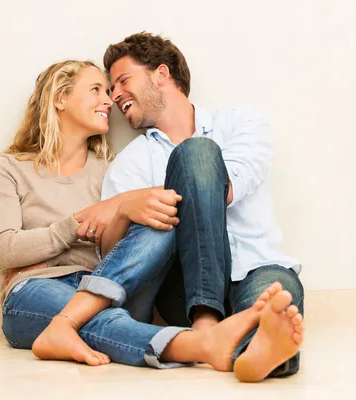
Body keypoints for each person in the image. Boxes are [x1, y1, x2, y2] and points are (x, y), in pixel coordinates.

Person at [0, 59, 303, 373]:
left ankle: (242, 351)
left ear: (162, 74)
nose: (110, 99)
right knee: (108, 314)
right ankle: (204, 343)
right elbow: (7, 248)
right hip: (45, 285)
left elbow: (115, 252)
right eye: (98, 89)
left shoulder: (106, 169)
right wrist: (79, 224)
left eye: (113, 87)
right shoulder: (9, 169)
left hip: (107, 288)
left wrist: (123, 207)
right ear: (60, 98)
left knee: (159, 216)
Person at [80, 32, 305, 382]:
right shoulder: (130, 163)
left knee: (277, 296)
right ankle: (206, 322)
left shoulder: (240, 123)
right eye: (111, 88)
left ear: (162, 74)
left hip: (254, 267)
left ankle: (252, 355)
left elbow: (228, 186)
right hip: (181, 289)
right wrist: (125, 208)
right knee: (196, 155)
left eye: (123, 80)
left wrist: (155, 197)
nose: (115, 95)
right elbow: (115, 257)